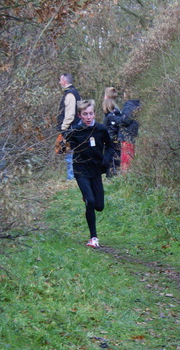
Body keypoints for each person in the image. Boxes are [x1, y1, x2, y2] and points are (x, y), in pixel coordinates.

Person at [64, 99, 114, 248]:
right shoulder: (75, 131)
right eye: (85, 114)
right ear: (79, 115)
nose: (88, 117)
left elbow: (110, 146)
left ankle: (87, 197)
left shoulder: (100, 129)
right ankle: (93, 238)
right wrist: (62, 141)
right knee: (90, 201)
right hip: (80, 170)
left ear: (94, 114)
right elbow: (61, 148)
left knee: (99, 206)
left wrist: (106, 159)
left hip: (96, 170)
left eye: (90, 114)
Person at [57, 73, 82, 181]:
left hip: (70, 128)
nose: (59, 82)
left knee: (69, 154)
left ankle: (71, 178)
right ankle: (74, 177)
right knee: (72, 153)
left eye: (60, 80)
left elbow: (70, 114)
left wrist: (64, 128)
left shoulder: (70, 94)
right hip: (75, 127)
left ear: (64, 81)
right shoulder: (75, 93)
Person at [102, 87, 122, 177]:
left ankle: (112, 173)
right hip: (114, 137)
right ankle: (112, 172)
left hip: (111, 138)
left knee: (112, 155)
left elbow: (108, 126)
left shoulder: (111, 112)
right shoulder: (116, 110)